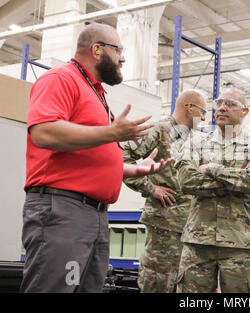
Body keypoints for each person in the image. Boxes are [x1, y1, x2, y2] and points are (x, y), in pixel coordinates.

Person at [20, 23, 173, 293]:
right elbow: (43, 132)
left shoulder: (96, 91)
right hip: (63, 212)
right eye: (119, 51)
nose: (123, 58)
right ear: (97, 50)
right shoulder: (61, 79)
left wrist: (130, 170)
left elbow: (89, 155)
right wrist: (111, 132)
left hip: (94, 215)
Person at [175, 88, 250, 293]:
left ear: (244, 111)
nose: (221, 108)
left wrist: (212, 170)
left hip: (239, 244)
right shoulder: (196, 144)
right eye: (218, 103)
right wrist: (238, 177)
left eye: (229, 104)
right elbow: (187, 182)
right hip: (198, 242)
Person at [122, 89, 208, 293]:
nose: (204, 118)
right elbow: (122, 158)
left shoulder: (194, 139)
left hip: (190, 226)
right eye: (202, 112)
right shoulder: (159, 130)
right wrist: (150, 188)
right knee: (159, 282)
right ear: (189, 107)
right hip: (165, 223)